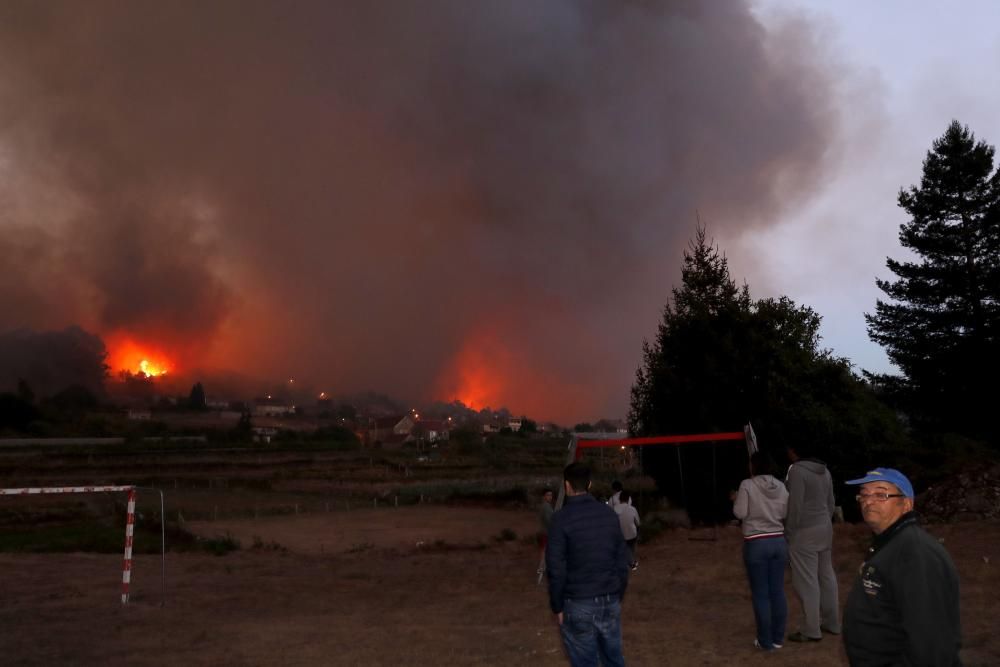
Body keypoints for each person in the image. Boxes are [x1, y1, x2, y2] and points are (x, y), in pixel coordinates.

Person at [843, 468, 962, 666]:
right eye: (864, 494)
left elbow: (931, 642)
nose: (868, 501)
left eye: (881, 494)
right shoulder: (888, 544)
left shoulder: (915, 553)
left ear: (906, 504)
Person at [547, 462, 630, 667]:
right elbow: (622, 561)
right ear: (589, 484)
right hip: (609, 598)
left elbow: (556, 568)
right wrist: (617, 594)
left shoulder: (560, 520)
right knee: (613, 659)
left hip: (578, 602)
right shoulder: (609, 514)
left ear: (566, 485)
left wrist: (557, 606)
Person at [731, 450, 789, 652]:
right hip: (779, 541)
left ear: (753, 466)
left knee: (761, 594)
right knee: (778, 591)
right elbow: (784, 512)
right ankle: (778, 639)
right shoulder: (781, 486)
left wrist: (736, 498)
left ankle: (765, 641)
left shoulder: (747, 485)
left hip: (756, 542)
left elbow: (740, 512)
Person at [784, 443, 841, 642]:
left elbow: (795, 505)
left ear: (794, 451)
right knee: (826, 575)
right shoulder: (824, 471)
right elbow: (831, 503)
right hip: (824, 528)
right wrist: (825, 520)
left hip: (804, 531)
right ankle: (832, 622)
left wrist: (789, 531)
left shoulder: (797, 471)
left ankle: (811, 629)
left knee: (807, 581)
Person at [614, 490, 641, 570]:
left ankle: (630, 562)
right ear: (628, 499)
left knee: (625, 548)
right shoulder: (632, 509)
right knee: (632, 547)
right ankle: (632, 562)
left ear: (619, 499)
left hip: (620, 535)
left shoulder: (614, 509)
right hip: (632, 534)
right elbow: (638, 523)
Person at [537, 488, 555, 568]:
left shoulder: (546, 506)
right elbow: (549, 521)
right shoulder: (546, 506)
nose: (550, 497)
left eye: (551, 495)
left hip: (544, 532)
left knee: (545, 550)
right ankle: (542, 567)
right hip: (545, 532)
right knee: (544, 550)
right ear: (544, 496)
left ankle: (543, 566)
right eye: (548, 495)